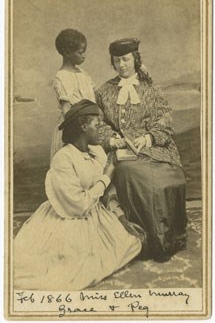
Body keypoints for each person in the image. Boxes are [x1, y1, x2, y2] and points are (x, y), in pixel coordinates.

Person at [14, 100, 143, 290]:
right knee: (71, 267)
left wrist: (121, 217)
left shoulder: (96, 151)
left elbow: (103, 193)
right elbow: (78, 205)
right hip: (69, 215)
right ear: (84, 127)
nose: (100, 131)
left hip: (94, 212)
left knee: (132, 244)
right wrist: (107, 176)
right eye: (97, 126)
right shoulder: (63, 159)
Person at [96, 38, 187, 262]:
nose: (122, 65)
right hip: (123, 153)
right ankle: (146, 239)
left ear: (135, 59)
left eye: (126, 59)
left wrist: (149, 138)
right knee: (133, 174)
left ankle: (166, 237)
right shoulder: (104, 91)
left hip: (156, 149)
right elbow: (97, 124)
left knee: (166, 179)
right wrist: (112, 140)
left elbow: (165, 119)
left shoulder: (150, 88)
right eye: (117, 61)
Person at [50, 29, 96, 161]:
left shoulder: (83, 74)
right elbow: (67, 112)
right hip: (74, 131)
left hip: (90, 127)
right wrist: (79, 133)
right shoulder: (62, 77)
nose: (84, 56)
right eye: (80, 52)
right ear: (67, 53)